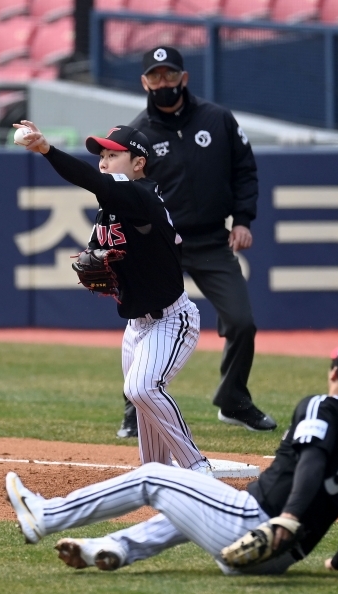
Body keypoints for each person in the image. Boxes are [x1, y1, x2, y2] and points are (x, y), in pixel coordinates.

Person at [5, 337, 338, 576]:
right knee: (193, 501)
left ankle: (46, 516)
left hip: (258, 525)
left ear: (334, 370)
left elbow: (312, 463)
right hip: (278, 558)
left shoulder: (321, 407)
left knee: (154, 477)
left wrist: (289, 518)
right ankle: (116, 548)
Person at [15, 120, 211, 474]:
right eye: (101, 155)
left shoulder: (140, 195)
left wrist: (47, 149)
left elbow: (91, 180)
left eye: (112, 154)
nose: (103, 162)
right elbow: (96, 248)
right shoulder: (111, 208)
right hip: (136, 326)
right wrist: (95, 256)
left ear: (138, 163)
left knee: (142, 389)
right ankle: (156, 475)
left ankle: (197, 467)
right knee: (143, 403)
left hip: (171, 319)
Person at [114, 45, 274, 437]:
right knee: (143, 323)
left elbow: (244, 170)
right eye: (155, 76)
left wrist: (243, 219)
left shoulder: (217, 120)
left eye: (170, 75)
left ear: (184, 78)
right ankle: (135, 407)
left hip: (210, 240)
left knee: (241, 321)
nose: (163, 83)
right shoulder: (139, 134)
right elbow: (124, 190)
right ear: (144, 82)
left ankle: (233, 399)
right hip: (161, 242)